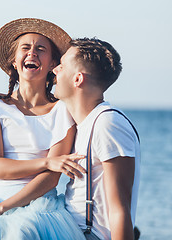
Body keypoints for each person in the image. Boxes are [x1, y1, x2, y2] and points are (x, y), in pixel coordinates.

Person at [0, 18, 86, 239]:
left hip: (40, 208)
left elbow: (51, 179)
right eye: (25, 47)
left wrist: (2, 208)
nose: (32, 53)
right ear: (14, 61)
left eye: (40, 49)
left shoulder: (62, 110)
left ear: (53, 63)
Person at [52, 38, 141, 240]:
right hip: (69, 229)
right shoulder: (82, 123)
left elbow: (120, 209)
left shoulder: (108, 123)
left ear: (77, 79)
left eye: (62, 65)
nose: (55, 70)